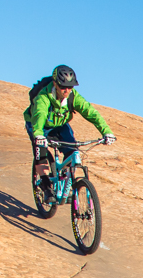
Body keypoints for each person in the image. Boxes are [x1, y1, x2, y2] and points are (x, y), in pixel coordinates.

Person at [23, 65, 115, 196]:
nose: (67, 90)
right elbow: (39, 115)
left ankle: (64, 178)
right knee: (41, 153)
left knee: (72, 152)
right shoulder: (43, 97)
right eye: (63, 87)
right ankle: (44, 184)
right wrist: (38, 134)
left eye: (70, 87)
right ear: (55, 83)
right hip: (39, 125)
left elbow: (90, 112)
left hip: (60, 125)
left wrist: (106, 131)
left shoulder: (73, 97)